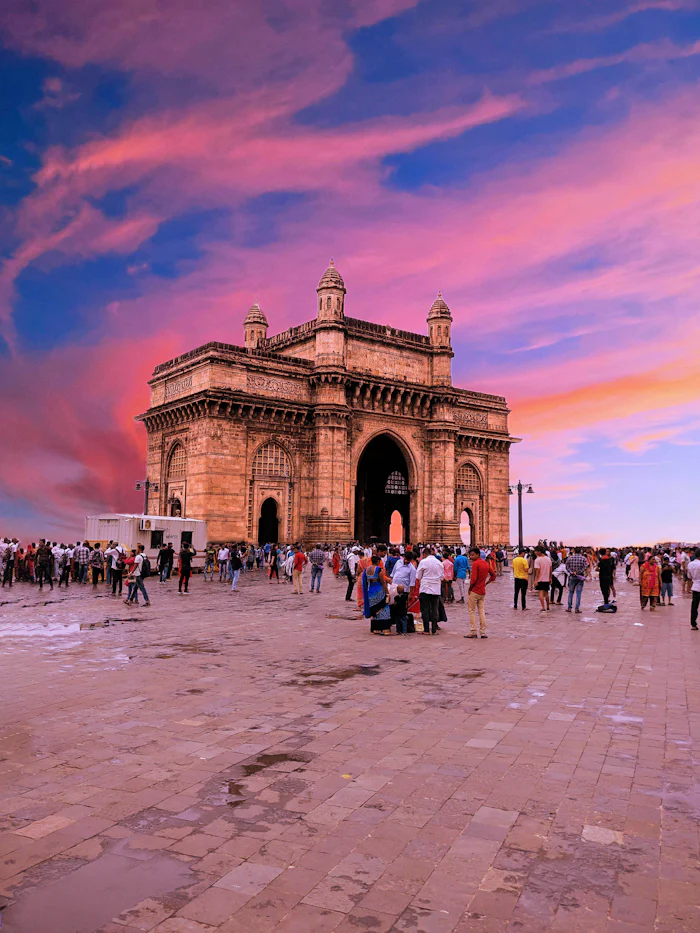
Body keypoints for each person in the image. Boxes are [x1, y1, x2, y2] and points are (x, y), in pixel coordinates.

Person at [466, 546, 496, 638]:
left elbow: (473, 579)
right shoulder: (486, 563)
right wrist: (486, 583)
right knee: (481, 611)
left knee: (471, 611)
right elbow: (493, 575)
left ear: (478, 554)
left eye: (472, 555)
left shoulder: (475, 564)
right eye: (470, 555)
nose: (471, 557)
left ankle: (473, 631)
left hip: (475, 590)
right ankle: (483, 632)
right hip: (482, 591)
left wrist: (470, 588)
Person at [416, 546, 445, 635]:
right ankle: (434, 629)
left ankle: (426, 630)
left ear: (424, 554)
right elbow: (442, 577)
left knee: (425, 609)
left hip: (425, 588)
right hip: (436, 589)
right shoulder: (439, 563)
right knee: (434, 608)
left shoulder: (423, 562)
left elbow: (418, 576)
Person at [362, 555, 392, 634]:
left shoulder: (366, 570)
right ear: (378, 562)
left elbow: (365, 582)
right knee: (384, 608)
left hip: (371, 591)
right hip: (379, 590)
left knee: (374, 609)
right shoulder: (379, 570)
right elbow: (383, 582)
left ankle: (375, 629)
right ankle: (385, 629)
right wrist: (387, 592)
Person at [565, 548, 587, 613]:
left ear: (574, 551)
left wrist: (572, 572)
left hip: (572, 577)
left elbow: (567, 567)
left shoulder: (570, 558)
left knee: (571, 592)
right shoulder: (583, 558)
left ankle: (569, 607)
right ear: (580, 551)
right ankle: (577, 608)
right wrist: (579, 572)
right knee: (578, 593)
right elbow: (585, 567)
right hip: (580, 576)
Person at [533, 546, 552, 611]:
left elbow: (537, 571)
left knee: (540, 593)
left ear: (539, 552)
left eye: (536, 551)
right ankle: (548, 606)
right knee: (546, 593)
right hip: (547, 578)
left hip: (540, 579)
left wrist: (536, 580)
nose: (535, 552)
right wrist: (550, 578)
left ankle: (543, 607)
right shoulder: (548, 559)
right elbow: (550, 569)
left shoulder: (537, 560)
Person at [687, 550, 700, 630]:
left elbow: (689, 576)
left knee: (694, 607)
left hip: (695, 587)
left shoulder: (690, 564)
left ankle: (693, 624)